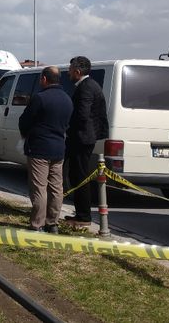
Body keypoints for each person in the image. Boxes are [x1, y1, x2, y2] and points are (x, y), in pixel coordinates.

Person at [18, 67, 73, 233]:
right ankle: (53, 222)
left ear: (44, 79)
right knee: (57, 188)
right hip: (58, 148)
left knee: (39, 188)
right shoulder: (67, 99)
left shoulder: (40, 98)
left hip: (39, 148)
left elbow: (25, 121)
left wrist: (26, 134)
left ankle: (37, 224)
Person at [64, 56, 109, 227]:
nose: (68, 73)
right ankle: (81, 214)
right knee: (76, 175)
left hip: (82, 138)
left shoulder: (86, 88)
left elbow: (82, 115)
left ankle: (83, 217)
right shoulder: (88, 86)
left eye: (70, 70)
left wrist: (67, 128)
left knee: (79, 176)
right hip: (84, 136)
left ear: (77, 71)